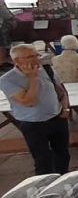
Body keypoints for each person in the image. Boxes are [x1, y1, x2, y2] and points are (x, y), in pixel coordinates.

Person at [0, 44, 70, 175]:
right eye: (32, 56)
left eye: (37, 54)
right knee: (43, 160)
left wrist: (65, 110)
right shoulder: (7, 80)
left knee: (63, 155)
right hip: (33, 124)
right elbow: (28, 102)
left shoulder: (47, 69)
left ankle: (64, 179)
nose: (38, 58)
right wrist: (33, 78)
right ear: (17, 61)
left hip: (57, 118)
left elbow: (61, 91)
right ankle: (46, 188)